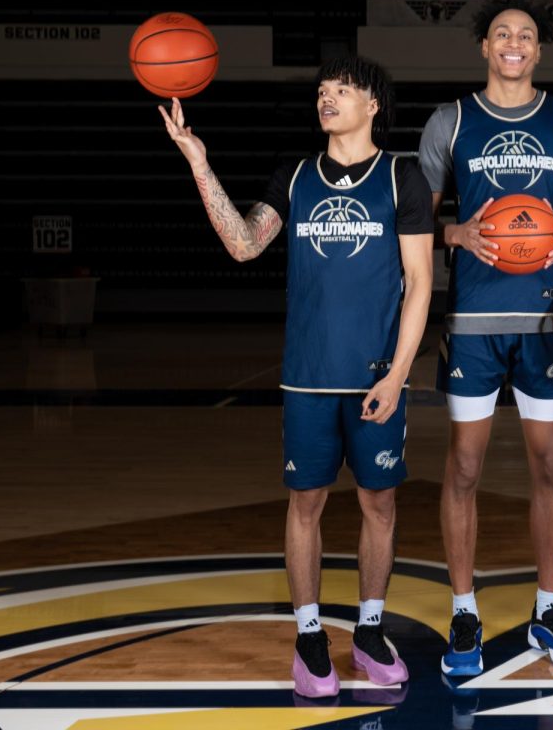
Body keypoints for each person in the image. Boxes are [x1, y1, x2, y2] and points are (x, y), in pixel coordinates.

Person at [159, 56, 433, 698]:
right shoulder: (297, 175)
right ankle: (310, 639)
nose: (326, 98)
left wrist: (397, 377)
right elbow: (244, 243)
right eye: (321, 91)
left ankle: (368, 631)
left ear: (374, 106)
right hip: (308, 379)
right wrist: (200, 163)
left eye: (342, 90)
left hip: (375, 377)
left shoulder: (402, 177)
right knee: (305, 505)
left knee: (380, 505)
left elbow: (420, 285)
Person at [418, 0, 553, 675]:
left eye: (525, 36)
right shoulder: (450, 121)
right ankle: (465, 612)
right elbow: (417, 223)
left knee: (551, 466)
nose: (514, 44)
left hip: (546, 322)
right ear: (484, 47)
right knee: (464, 468)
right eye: (501, 34)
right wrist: (455, 234)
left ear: (538, 51)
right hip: (472, 325)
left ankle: (548, 609)